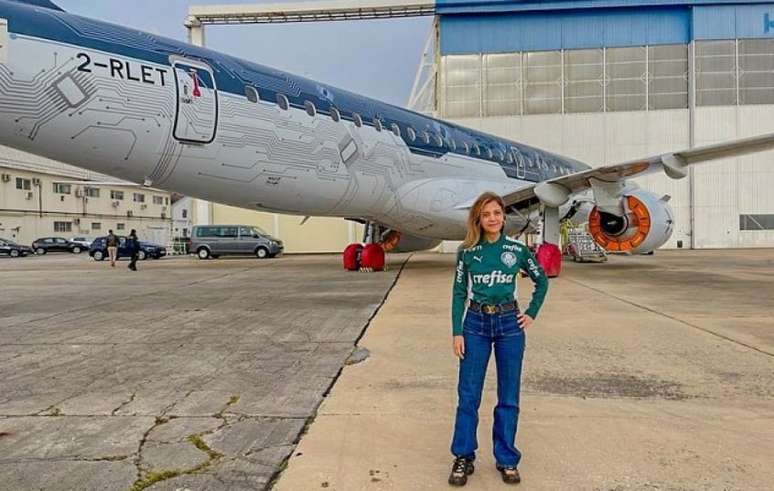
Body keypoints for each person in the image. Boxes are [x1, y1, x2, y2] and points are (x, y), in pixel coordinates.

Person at [448, 191, 549, 487]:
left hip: (509, 325)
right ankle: (463, 456)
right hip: (475, 325)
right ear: (478, 219)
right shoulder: (466, 253)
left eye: (496, 213)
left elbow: (541, 280)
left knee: (508, 394)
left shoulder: (516, 250)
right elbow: (458, 293)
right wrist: (457, 331)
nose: (492, 218)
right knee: (468, 394)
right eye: (486, 214)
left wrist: (531, 312)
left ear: (504, 217)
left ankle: (506, 458)